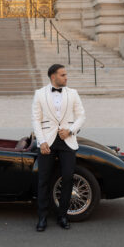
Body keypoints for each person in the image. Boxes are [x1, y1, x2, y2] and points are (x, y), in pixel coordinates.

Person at [32, 64, 85, 231]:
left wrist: (70, 131)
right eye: (63, 75)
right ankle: (42, 217)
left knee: (68, 178)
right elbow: (36, 120)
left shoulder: (73, 93)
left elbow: (81, 116)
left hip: (67, 140)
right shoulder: (39, 94)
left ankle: (63, 216)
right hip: (47, 141)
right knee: (43, 180)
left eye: (66, 74)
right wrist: (42, 142)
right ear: (53, 77)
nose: (66, 77)